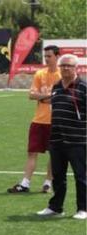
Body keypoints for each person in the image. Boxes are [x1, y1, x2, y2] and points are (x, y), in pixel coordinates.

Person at [37, 53, 86, 219]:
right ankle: (55, 207)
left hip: (78, 141)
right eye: (63, 65)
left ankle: (83, 209)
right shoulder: (56, 86)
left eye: (69, 65)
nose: (65, 68)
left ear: (76, 68)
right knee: (58, 176)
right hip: (57, 140)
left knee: (81, 176)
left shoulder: (83, 86)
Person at [8, 45, 60, 194]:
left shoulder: (62, 75)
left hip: (55, 121)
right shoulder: (40, 74)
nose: (47, 59)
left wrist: (44, 97)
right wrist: (47, 97)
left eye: (49, 56)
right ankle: (25, 183)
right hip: (38, 120)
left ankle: (48, 182)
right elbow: (31, 95)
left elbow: (60, 98)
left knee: (54, 154)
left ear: (57, 56)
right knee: (32, 153)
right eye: (45, 56)